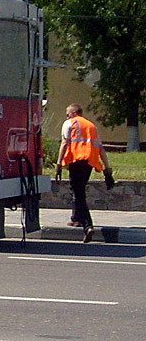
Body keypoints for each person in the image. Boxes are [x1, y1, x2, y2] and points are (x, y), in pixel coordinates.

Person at [56, 104, 114, 242]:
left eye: (67, 113)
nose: (66, 116)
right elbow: (100, 148)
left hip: (76, 160)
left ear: (74, 113)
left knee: (78, 193)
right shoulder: (92, 126)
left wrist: (58, 165)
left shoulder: (69, 123)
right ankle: (76, 218)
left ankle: (88, 225)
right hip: (89, 163)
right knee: (79, 190)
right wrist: (107, 170)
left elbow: (64, 143)